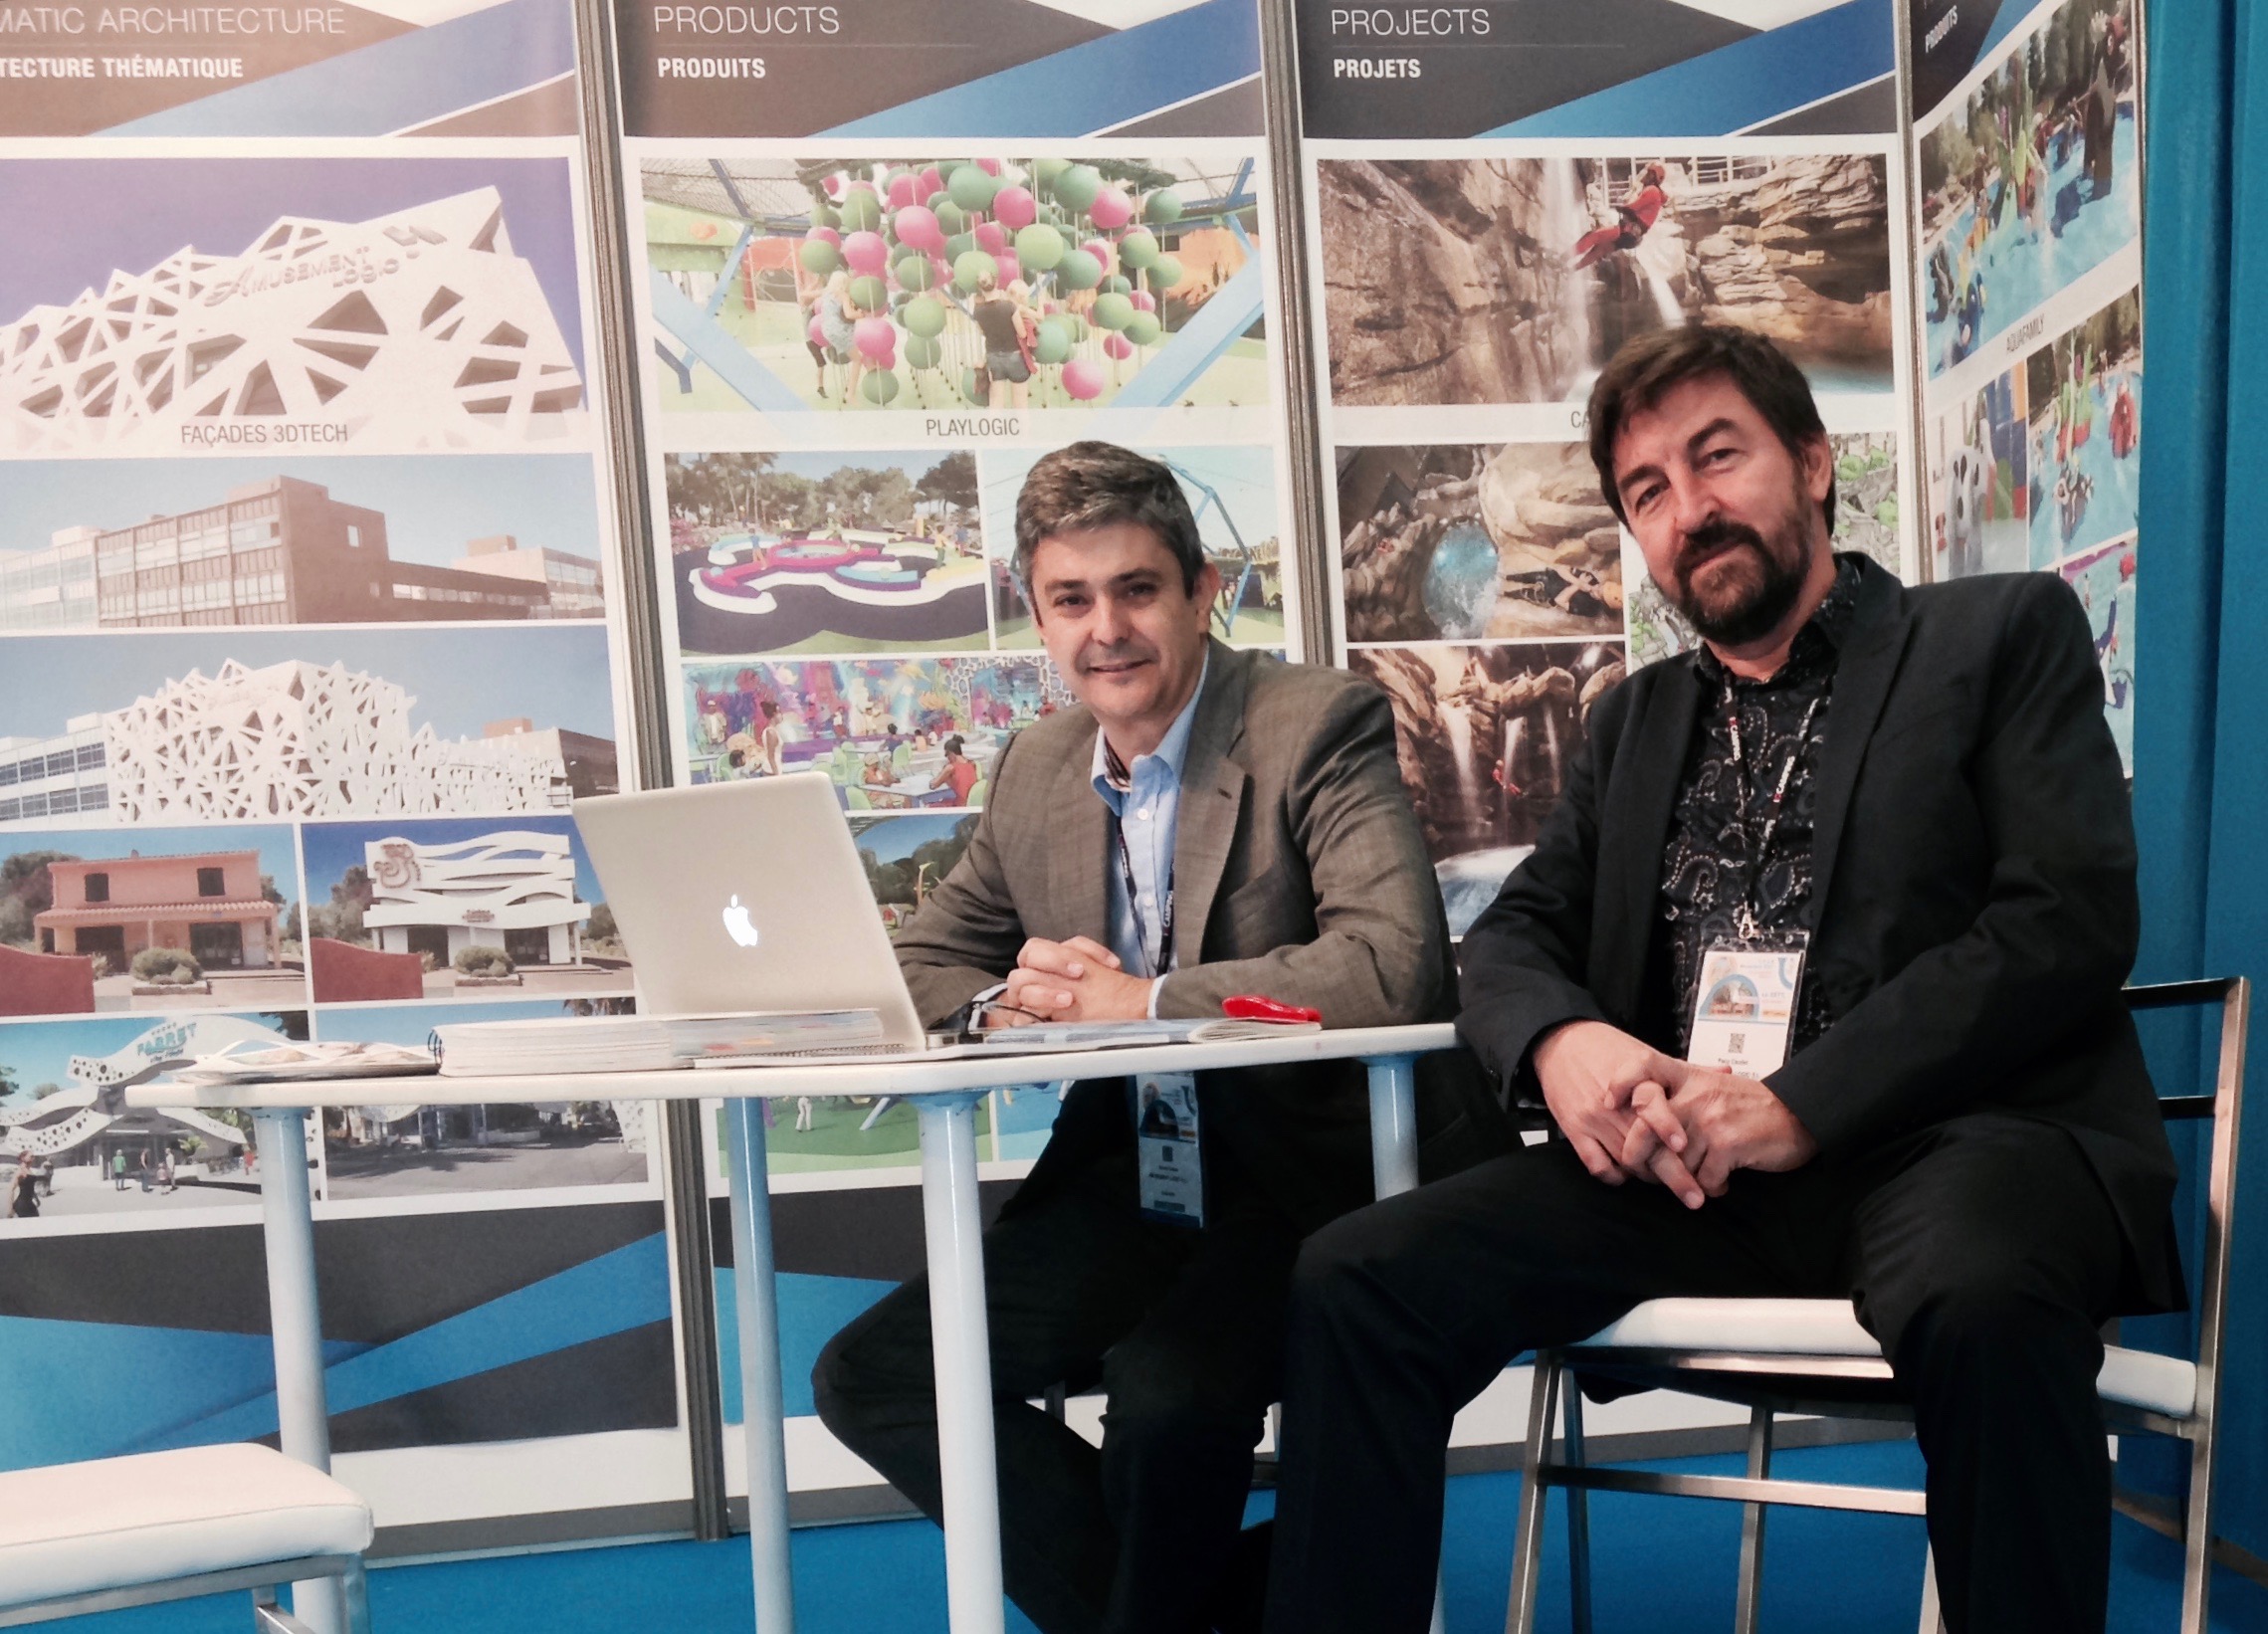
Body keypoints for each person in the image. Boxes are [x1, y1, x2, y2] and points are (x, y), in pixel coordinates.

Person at [1261, 325, 2178, 1634]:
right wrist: (1561, 1044)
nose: (1687, 509)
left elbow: (2063, 919)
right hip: (1695, 1178)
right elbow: (1509, 940)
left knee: (1983, 1297)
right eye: (1646, 490)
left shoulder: (1993, 634)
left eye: (1715, 457)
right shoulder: (1630, 720)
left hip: (1950, 1144)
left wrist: (1802, 1101)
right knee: (1355, 1275)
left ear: (1810, 461)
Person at [813, 441, 1508, 1634]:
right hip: (1145, 1173)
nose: (1106, 630)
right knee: (872, 1374)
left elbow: (1390, 965)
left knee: (1168, 1395)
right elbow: (921, 962)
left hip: (1327, 1175)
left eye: (1135, 589)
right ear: (1037, 618)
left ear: (1201, 591)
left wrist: (1139, 1002)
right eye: (1070, 600)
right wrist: (1005, 1003)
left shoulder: (1314, 722)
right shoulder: (1035, 768)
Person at [1571, 162, 1668, 270]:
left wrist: (1621, 207)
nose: (1643, 174)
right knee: (1599, 250)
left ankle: (1562, 259)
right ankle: (1569, 271)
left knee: (1594, 235)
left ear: (1652, 176)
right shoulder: (1655, 193)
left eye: (1647, 172)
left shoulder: (1652, 190)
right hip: (1632, 237)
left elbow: (1632, 207)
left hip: (1627, 230)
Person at [970, 270, 1033, 411]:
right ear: (996, 283)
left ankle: (996, 426)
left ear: (980, 288)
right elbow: (1022, 333)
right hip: (1014, 356)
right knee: (1020, 403)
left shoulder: (977, 311)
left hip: (993, 356)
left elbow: (982, 332)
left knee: (996, 402)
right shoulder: (1009, 306)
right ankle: (1022, 426)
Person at [935, 734, 979, 805]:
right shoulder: (972, 764)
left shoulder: (950, 768)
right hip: (970, 804)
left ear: (951, 753)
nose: (947, 758)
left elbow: (933, 785)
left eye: (947, 755)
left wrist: (942, 775)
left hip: (960, 805)